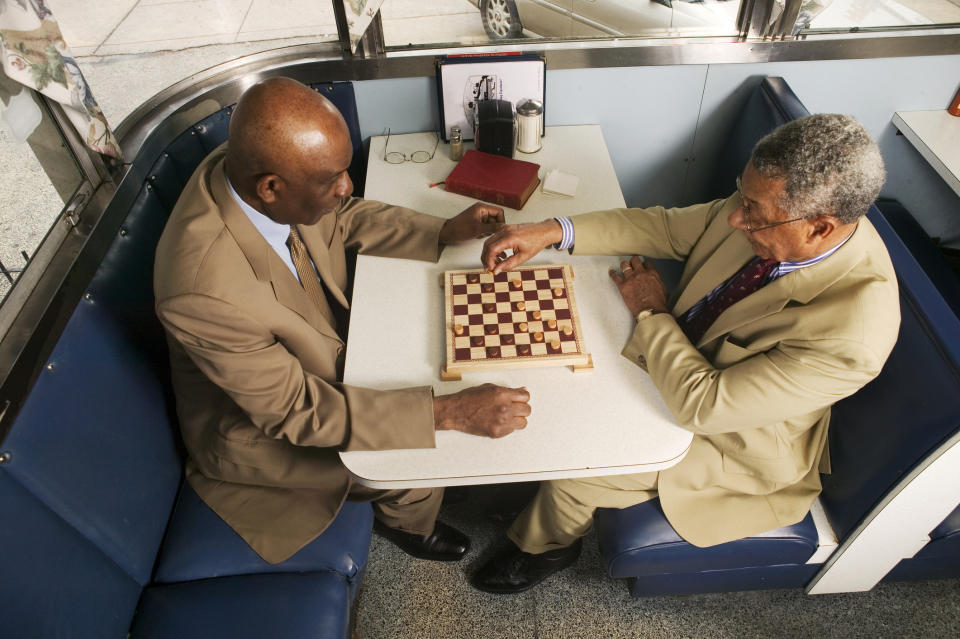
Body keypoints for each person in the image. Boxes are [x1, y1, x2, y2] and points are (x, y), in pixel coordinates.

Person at [471, 113, 900, 594]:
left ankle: (546, 546)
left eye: (753, 212)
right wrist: (553, 230)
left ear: (820, 229)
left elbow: (705, 406)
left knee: (579, 470)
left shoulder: (854, 335)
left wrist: (652, 315)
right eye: (742, 195)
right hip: (673, 364)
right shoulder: (774, 213)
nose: (736, 218)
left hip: (730, 441)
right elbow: (669, 228)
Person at [154, 77, 531, 566]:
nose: (346, 186)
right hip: (264, 429)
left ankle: (431, 483)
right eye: (332, 178)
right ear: (270, 188)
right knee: (417, 441)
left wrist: (443, 229)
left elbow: (343, 215)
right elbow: (294, 410)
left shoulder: (253, 172)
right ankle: (410, 520)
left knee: (428, 379)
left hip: (321, 359)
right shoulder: (202, 289)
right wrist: (450, 413)